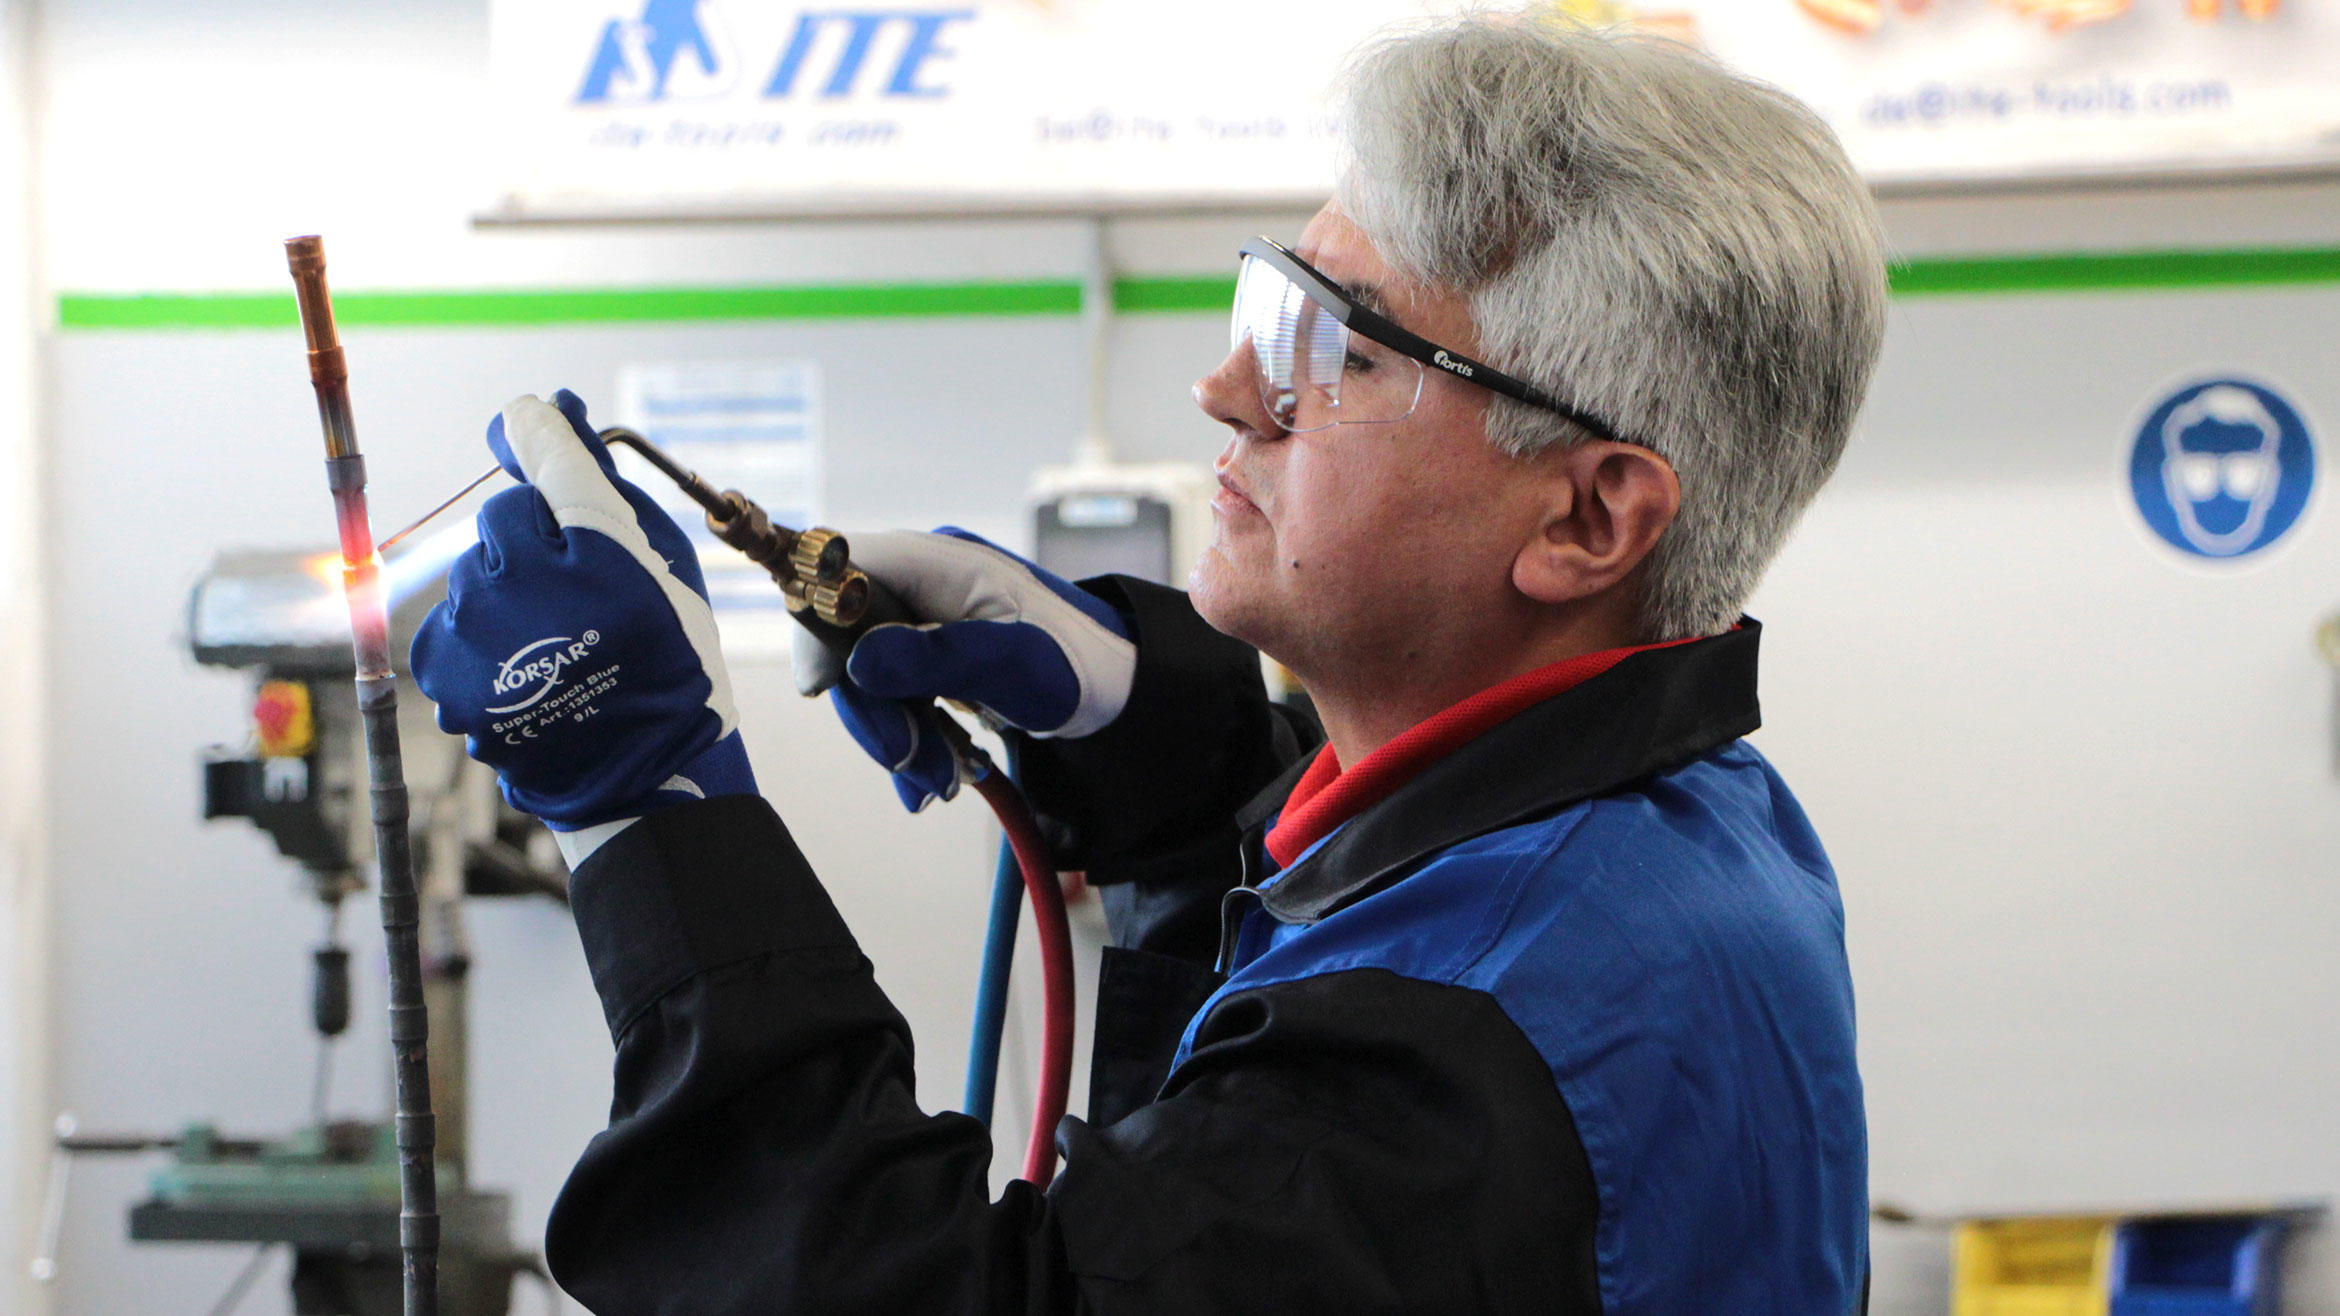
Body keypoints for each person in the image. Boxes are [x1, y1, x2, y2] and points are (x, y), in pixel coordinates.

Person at [411, 13, 1887, 1313]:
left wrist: (644, 811)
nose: (1230, 388)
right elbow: (1254, 1213)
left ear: (1587, 515)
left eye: (1341, 349)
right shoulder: (1698, 831)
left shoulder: (1453, 1063)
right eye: (1272, 301)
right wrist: (1163, 766)